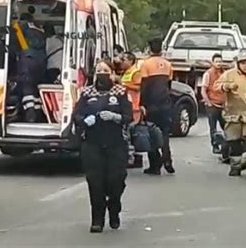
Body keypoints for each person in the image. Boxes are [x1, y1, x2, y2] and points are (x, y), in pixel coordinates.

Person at [74, 59, 133, 233]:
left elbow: (129, 116)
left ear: (112, 73)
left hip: (116, 143)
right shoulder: (86, 93)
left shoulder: (121, 92)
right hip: (92, 143)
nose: (102, 73)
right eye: (98, 70)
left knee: (116, 181)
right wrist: (84, 120)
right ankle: (97, 219)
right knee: (95, 182)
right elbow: (77, 115)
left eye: (105, 70)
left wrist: (115, 117)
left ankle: (114, 209)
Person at [139, 38, 174, 175]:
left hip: (151, 104)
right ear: (161, 49)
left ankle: (155, 165)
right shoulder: (167, 64)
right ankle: (167, 159)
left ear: (149, 49)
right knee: (165, 133)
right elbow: (169, 85)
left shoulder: (146, 64)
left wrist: (142, 104)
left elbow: (145, 86)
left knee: (151, 134)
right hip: (165, 103)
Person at [13, 13, 47, 122]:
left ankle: (30, 115)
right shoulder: (41, 31)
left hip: (27, 61)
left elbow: (18, 43)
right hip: (41, 63)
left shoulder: (21, 26)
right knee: (35, 89)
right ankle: (37, 114)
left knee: (26, 88)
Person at [201, 53, 226, 154]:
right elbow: (203, 90)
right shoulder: (208, 74)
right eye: (217, 62)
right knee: (213, 127)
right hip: (212, 105)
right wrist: (208, 102)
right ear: (212, 62)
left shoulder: (225, 73)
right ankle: (215, 146)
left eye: (220, 61)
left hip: (223, 105)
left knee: (226, 126)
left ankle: (226, 146)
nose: (219, 63)